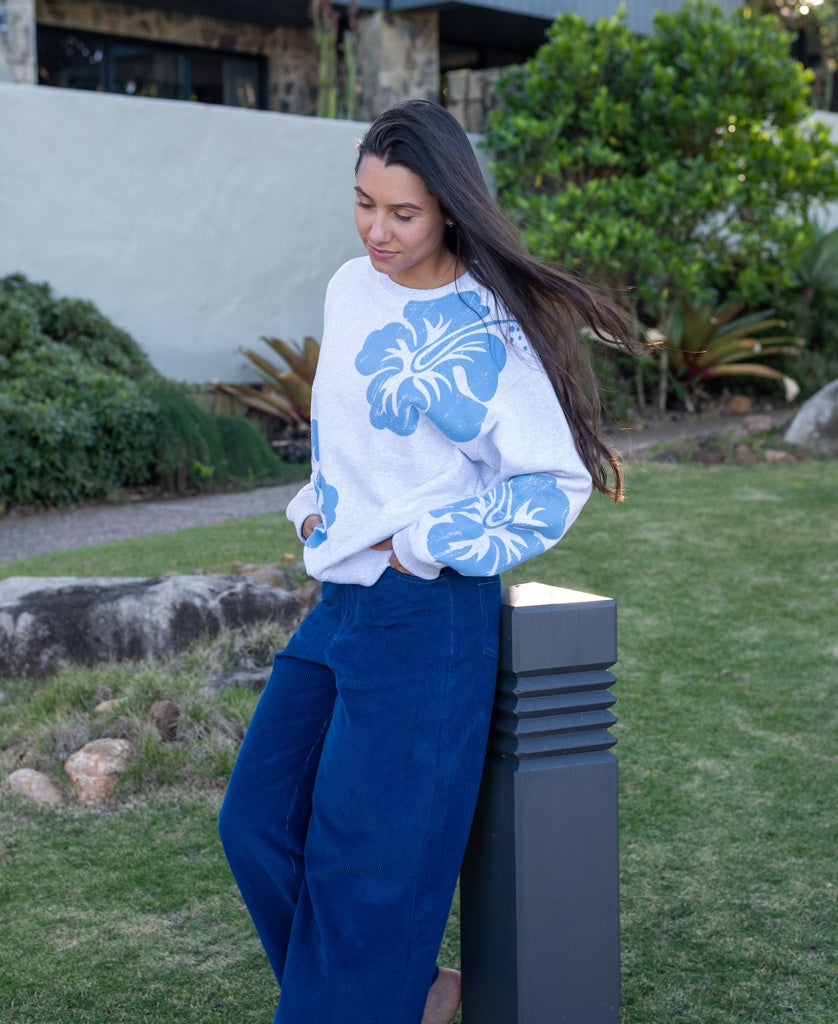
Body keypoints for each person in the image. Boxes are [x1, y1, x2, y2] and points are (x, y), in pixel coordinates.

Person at [218, 99, 635, 1024]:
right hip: (343, 604)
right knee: (255, 825)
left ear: (448, 207)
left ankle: (367, 1000)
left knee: (365, 874)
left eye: (401, 213)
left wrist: (421, 545)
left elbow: (549, 484)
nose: (376, 230)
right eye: (362, 203)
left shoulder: (489, 329)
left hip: (428, 616)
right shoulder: (349, 286)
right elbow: (343, 428)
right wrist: (319, 508)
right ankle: (407, 995)